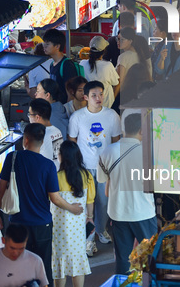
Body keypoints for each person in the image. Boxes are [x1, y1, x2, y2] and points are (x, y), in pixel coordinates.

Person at [0, 124, 84, 287]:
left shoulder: (13, 158)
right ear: (42, 143)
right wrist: (73, 208)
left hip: (18, 223)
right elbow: (55, 198)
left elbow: (1, 189)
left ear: (25, 140)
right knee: (42, 268)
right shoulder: (48, 165)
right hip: (42, 224)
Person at [98, 113, 157, 275]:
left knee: (123, 259)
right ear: (142, 131)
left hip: (118, 212)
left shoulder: (107, 152)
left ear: (124, 129)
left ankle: (123, 283)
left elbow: (105, 183)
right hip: (143, 212)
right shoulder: (150, 154)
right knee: (149, 257)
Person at [68, 81, 121, 256]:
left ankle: (101, 230)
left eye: (101, 94)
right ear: (86, 97)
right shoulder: (77, 117)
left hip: (105, 168)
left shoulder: (112, 115)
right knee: (86, 206)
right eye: (94, 95)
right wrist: (75, 167)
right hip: (84, 169)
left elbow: (116, 142)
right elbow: (72, 142)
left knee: (104, 202)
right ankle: (89, 240)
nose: (98, 98)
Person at [52, 141, 95, 287]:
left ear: (62, 157)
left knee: (60, 261)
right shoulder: (87, 175)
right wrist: (90, 217)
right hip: (78, 225)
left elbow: (52, 199)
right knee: (78, 259)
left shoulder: (56, 177)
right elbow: (90, 200)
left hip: (59, 226)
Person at [0, 223, 48, 287]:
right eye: (12, 248)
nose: (16, 253)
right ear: (3, 240)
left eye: (21, 248)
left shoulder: (36, 261)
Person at [80, 36, 119, 109]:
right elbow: (116, 83)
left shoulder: (82, 64)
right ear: (104, 51)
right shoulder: (108, 66)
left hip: (89, 105)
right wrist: (113, 98)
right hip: (106, 105)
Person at [43, 29, 78, 104]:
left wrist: (66, 111)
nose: (44, 46)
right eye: (44, 43)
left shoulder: (67, 65)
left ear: (57, 46)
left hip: (64, 109)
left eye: (47, 44)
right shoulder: (52, 64)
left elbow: (71, 94)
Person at [29, 98, 64, 170]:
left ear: (37, 117)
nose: (29, 117)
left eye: (30, 114)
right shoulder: (57, 131)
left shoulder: (38, 135)